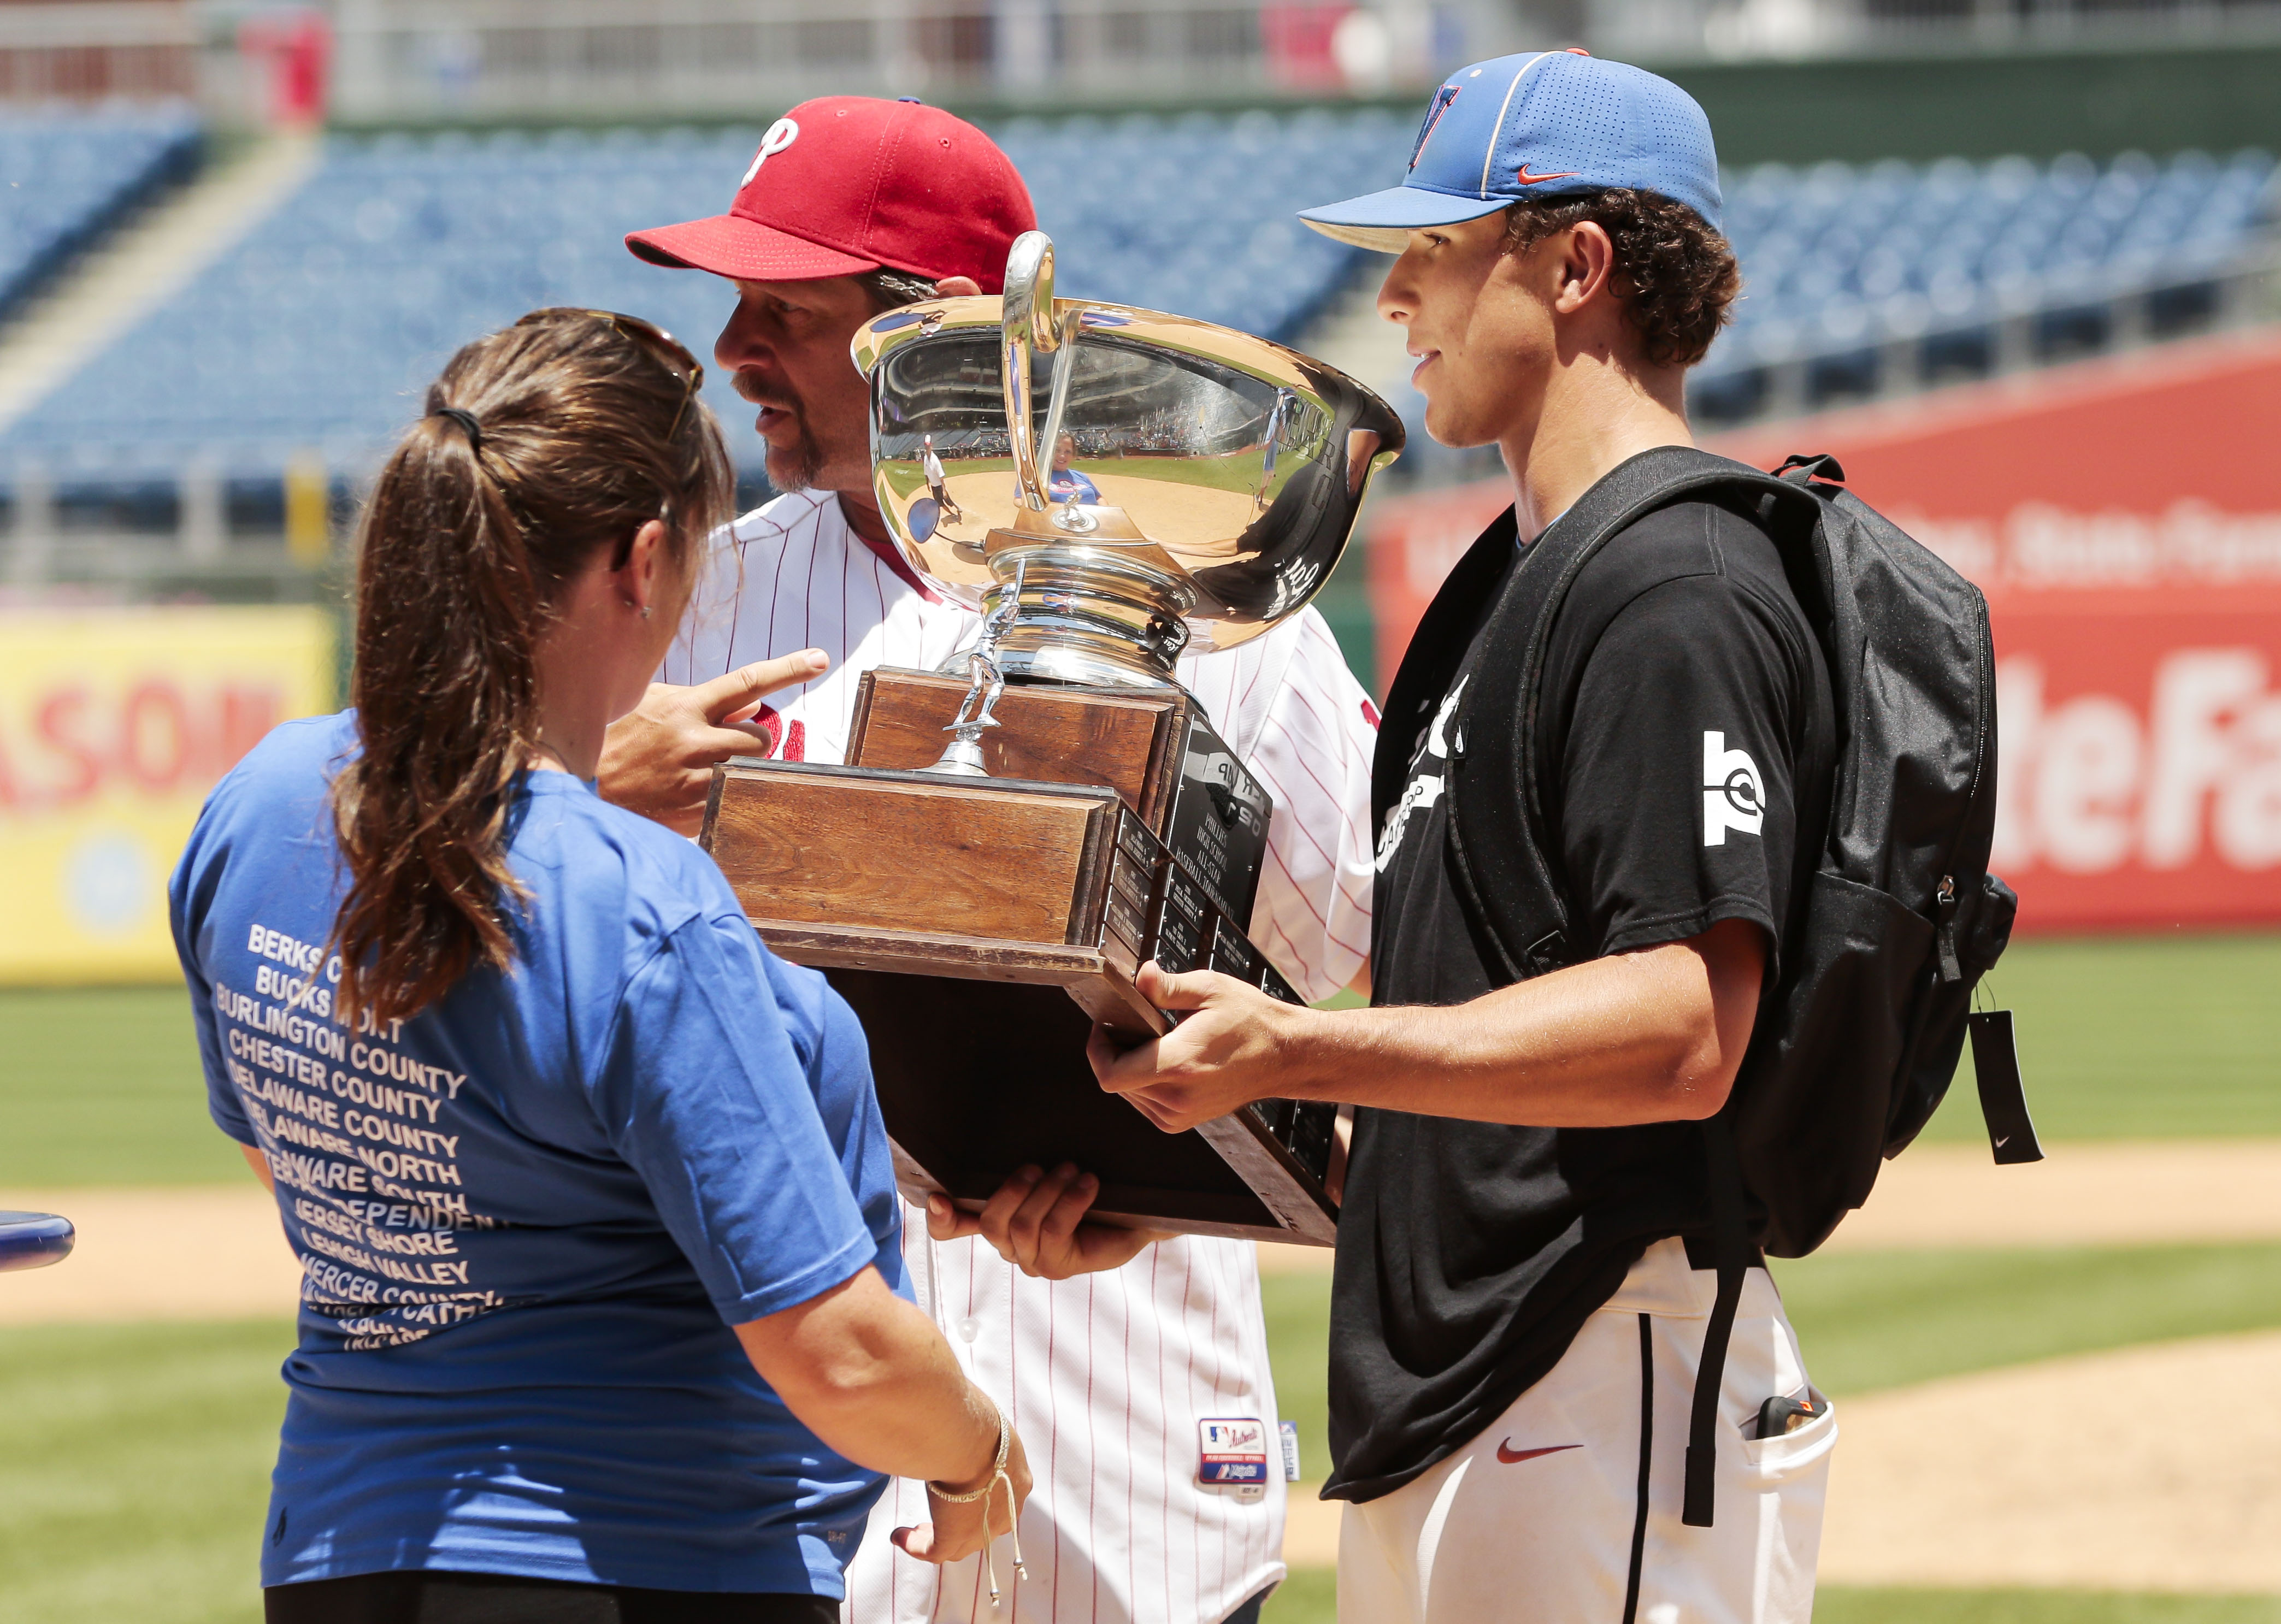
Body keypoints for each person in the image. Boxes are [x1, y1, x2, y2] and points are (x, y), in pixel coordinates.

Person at [1076, 52, 1840, 1624]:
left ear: (1575, 269)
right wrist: (1147, 1177)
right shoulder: (1510, 588)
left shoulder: (1674, 583)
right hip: (1468, 1400)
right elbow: (1469, 1119)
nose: (1397, 296)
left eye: (1434, 247)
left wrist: (1293, 1044)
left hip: (1604, 1376)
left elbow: (1683, 1026)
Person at [604, 97, 1378, 1624]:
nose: (733, 349)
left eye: (783, 308)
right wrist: (582, 791)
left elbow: (1364, 963)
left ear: (940, 334)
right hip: (801, 1471)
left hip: (1129, 1450)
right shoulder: (691, 612)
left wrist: (1166, 1179)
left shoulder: (1215, 619)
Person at [168, 309, 1030, 1623]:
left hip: (340, 1551)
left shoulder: (263, 796)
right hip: (649, 1555)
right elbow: (839, 1353)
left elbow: (291, 1160)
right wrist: (979, 1457)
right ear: (640, 562)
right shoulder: (641, 905)